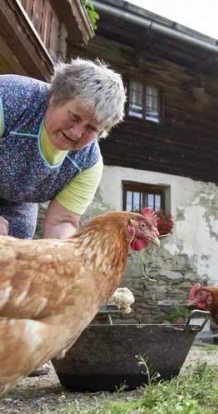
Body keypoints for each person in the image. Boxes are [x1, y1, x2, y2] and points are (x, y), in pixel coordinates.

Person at [0, 58, 126, 376]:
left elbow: (62, 222)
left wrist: (74, 274)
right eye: (75, 117)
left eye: (91, 129)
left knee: (13, 271)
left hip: (17, 203)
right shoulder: (9, 99)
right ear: (55, 96)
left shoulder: (88, 162)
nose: (76, 132)